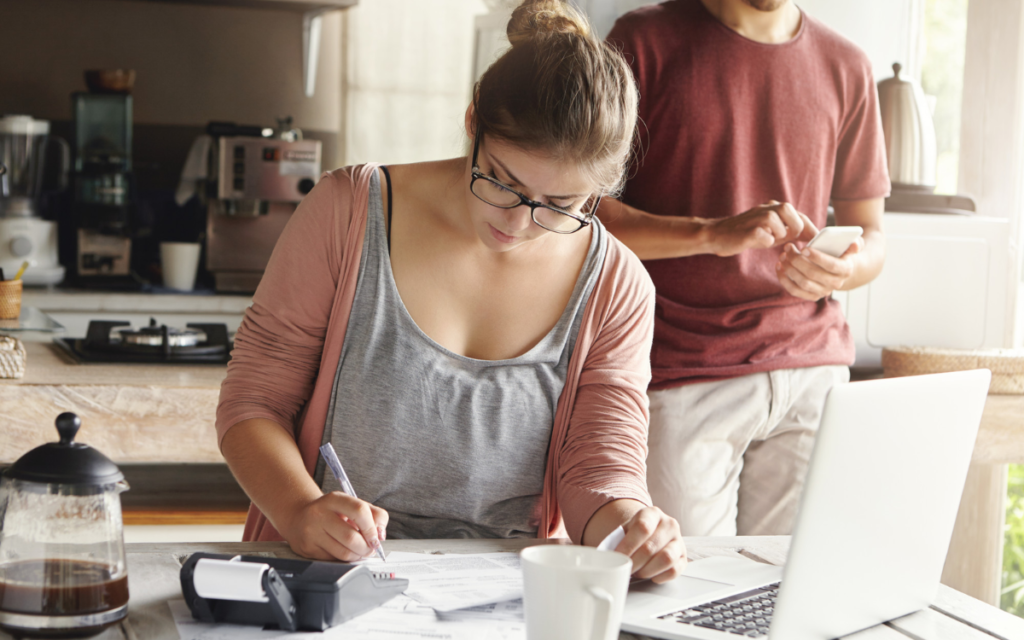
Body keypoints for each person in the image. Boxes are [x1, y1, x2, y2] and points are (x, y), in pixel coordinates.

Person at [216, 0, 686, 583]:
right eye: (503, 181)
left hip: (503, 594)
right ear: (472, 122)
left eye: (560, 205)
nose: (517, 224)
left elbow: (599, 465)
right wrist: (299, 510)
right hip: (330, 576)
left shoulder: (615, 284)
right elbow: (253, 405)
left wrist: (631, 528)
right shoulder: (348, 212)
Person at [601, 0, 889, 536]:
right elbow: (590, 214)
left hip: (813, 374)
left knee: (793, 595)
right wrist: (710, 233)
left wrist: (842, 271)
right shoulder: (641, 43)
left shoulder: (847, 65)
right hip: (685, 374)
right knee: (683, 595)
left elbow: (871, 232)